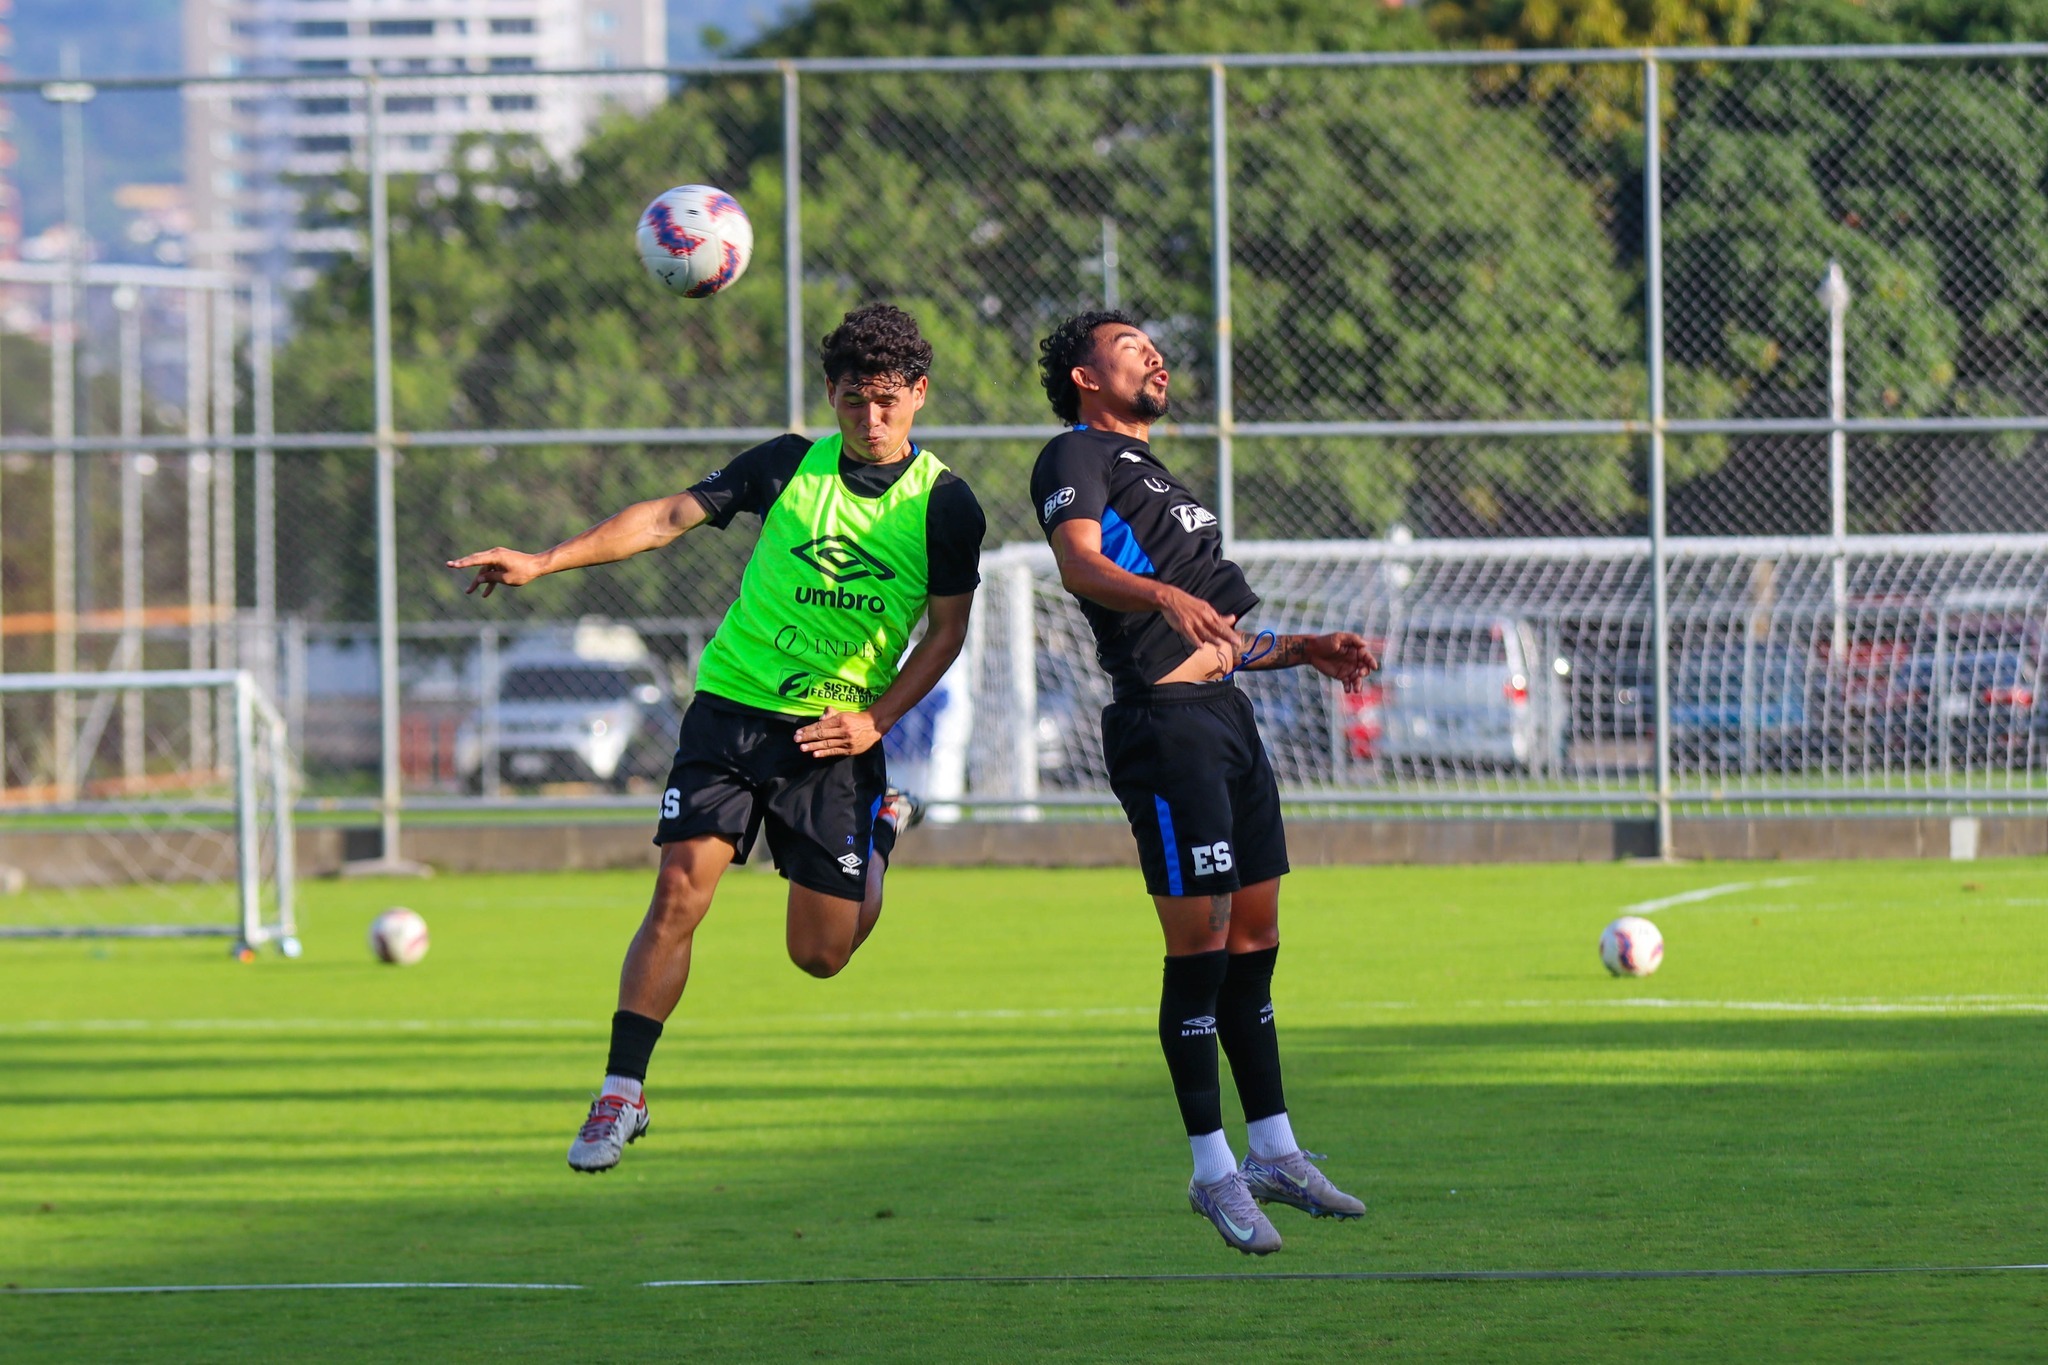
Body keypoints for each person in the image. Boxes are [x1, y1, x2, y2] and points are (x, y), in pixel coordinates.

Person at [448, 303, 985, 1173]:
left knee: (819, 955)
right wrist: (544, 561)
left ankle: (880, 824)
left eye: (888, 400)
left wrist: (875, 722)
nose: (871, 417)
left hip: (835, 736)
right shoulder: (785, 464)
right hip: (730, 712)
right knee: (677, 893)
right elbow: (664, 517)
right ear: (832, 394)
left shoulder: (947, 504)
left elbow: (947, 634)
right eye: (854, 400)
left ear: (919, 395)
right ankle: (621, 1090)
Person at [1029, 310, 1378, 1255]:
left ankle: (1276, 1150)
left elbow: (1217, 636)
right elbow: (1080, 563)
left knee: (1257, 933)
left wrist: (1303, 648)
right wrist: (1165, 595)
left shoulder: (1163, 479)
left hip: (1227, 718)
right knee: (1203, 941)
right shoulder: (1075, 456)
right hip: (1163, 729)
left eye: (1156, 346)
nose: (1156, 356)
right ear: (1083, 376)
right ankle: (1213, 1169)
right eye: (1130, 346)